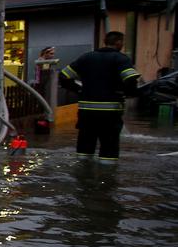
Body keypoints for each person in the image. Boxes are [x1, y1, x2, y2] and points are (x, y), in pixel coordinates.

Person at [60, 31, 142, 161]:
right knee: (109, 149)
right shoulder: (121, 58)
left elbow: (63, 76)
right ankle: (107, 178)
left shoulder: (86, 57)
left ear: (105, 41)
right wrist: (127, 93)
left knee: (84, 148)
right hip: (110, 112)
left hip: (86, 112)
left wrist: (79, 90)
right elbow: (131, 80)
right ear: (119, 42)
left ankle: (82, 175)